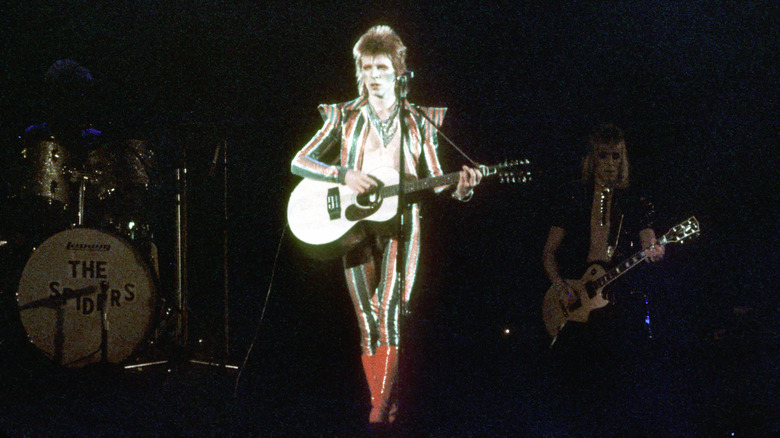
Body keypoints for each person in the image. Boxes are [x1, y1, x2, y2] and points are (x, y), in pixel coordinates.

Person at [291, 25, 482, 427]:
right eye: (366, 67)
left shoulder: (418, 121)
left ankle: (378, 411)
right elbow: (299, 161)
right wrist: (343, 174)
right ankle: (384, 407)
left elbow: (437, 177)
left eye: (381, 67)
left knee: (392, 313)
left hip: (403, 222)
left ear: (398, 71)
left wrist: (462, 189)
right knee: (367, 318)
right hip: (353, 226)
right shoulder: (343, 116)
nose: (373, 75)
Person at [540, 123, 665, 434]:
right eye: (604, 156)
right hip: (577, 305)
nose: (611, 163)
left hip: (619, 303)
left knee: (622, 394)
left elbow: (649, 239)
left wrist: (656, 251)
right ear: (592, 159)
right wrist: (561, 289)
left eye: (617, 157)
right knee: (575, 396)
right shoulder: (574, 195)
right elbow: (548, 253)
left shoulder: (635, 197)